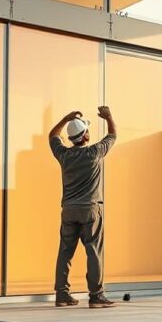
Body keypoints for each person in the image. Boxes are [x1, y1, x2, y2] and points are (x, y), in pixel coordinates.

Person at [49, 106, 117, 308]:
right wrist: (108, 117)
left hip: (68, 209)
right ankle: (96, 296)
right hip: (90, 209)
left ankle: (62, 295)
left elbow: (53, 135)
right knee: (93, 251)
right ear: (85, 135)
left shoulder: (63, 155)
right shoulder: (94, 153)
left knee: (65, 252)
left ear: (71, 139)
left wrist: (65, 118)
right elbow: (112, 135)